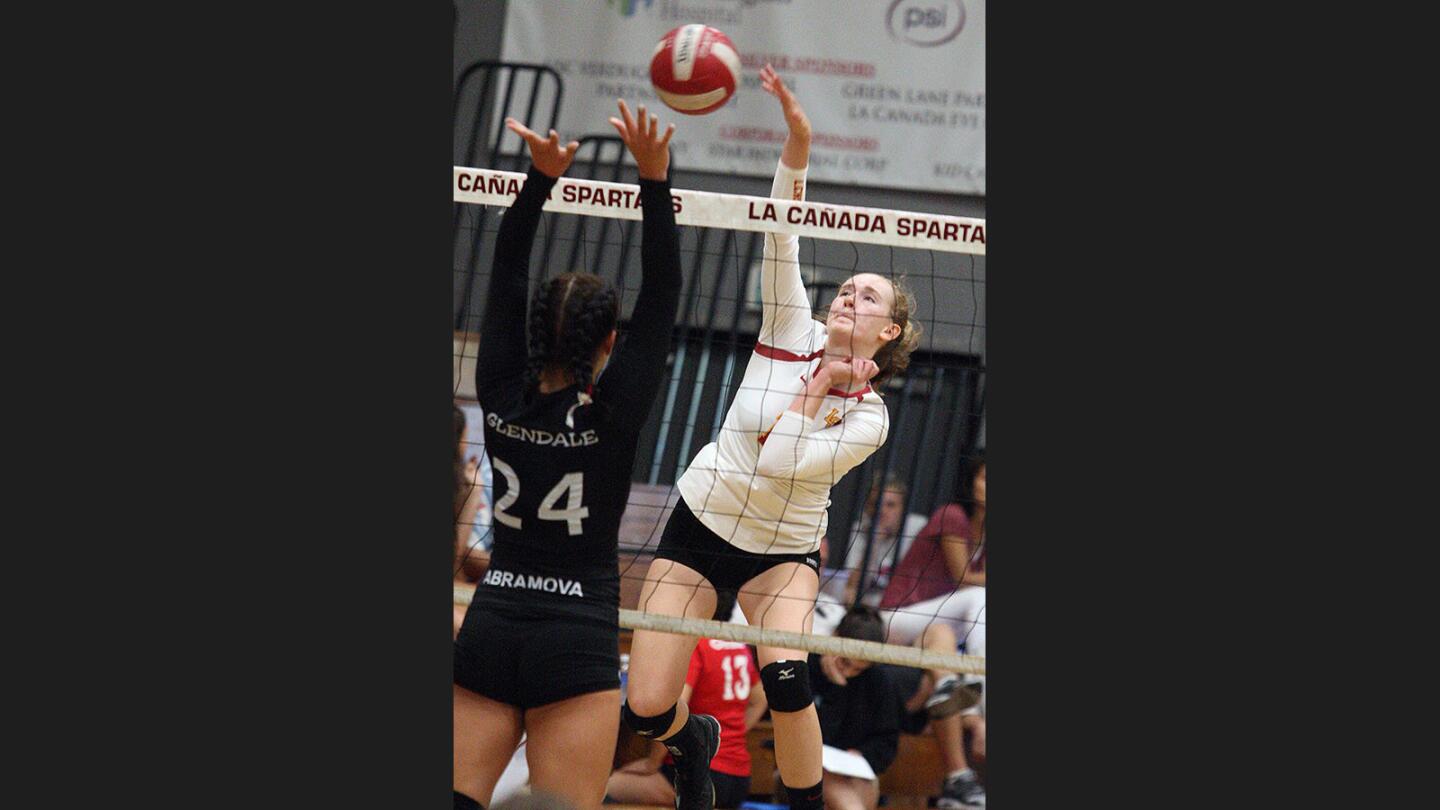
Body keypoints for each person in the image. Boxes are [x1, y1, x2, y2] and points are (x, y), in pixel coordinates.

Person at [621, 64, 921, 810]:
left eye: (870, 295)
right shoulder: (791, 326)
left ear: (888, 332)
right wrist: (798, 144)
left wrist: (820, 391)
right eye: (849, 286)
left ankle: (805, 805)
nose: (851, 291)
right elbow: (781, 229)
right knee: (646, 707)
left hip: (782, 553)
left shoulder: (869, 418)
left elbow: (781, 463)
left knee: (787, 680)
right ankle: (691, 744)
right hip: (701, 522)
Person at [452, 100, 684, 810]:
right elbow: (665, 294)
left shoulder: (498, 389)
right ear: (609, 344)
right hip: (578, 637)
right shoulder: (614, 414)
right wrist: (655, 180)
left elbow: (506, 275)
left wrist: (538, 180)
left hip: (492, 625)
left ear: (531, 335)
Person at [878, 455, 987, 807]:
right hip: (897, 618)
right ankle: (982, 694)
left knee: (942, 651)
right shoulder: (952, 516)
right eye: (985, 478)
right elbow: (962, 579)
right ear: (971, 481)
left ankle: (958, 784)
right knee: (978, 597)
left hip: (934, 627)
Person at [606, 592, 767, 809]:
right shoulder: (738, 645)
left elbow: (671, 708)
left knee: (605, 788)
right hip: (738, 780)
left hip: (698, 775)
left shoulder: (695, 645)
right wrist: (731, 733)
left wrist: (651, 763)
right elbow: (760, 699)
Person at [809, 607, 901, 810]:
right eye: (844, 662)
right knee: (836, 790)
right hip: (801, 768)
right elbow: (812, 735)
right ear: (834, 637)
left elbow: (887, 741)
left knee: (859, 785)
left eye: (858, 669)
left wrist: (862, 755)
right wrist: (836, 686)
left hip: (854, 771)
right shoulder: (807, 667)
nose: (848, 672)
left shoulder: (879, 681)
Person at [839, 473, 929, 608]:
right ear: (867, 508)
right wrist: (873, 543)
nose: (882, 511)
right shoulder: (860, 529)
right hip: (868, 608)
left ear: (903, 508)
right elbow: (851, 586)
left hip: (904, 606)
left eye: (890, 505)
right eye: (875, 504)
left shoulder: (918, 528)